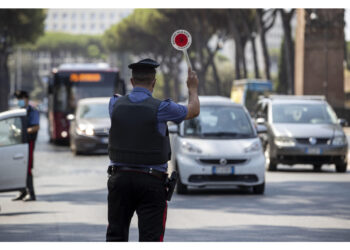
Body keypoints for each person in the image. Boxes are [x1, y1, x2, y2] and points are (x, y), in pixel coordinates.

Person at [106, 58, 199, 242]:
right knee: (151, 239)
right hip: (151, 182)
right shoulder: (162, 108)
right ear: (154, 82)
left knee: (115, 237)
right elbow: (193, 110)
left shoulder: (114, 104)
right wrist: (193, 88)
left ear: (132, 82)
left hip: (119, 180)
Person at [12, 90, 40, 202]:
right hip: (18, 142)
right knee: (19, 167)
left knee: (27, 168)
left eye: (21, 99)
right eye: (18, 99)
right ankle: (22, 192)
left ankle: (31, 193)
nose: (19, 101)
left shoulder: (32, 111)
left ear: (26, 98)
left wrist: (23, 131)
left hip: (28, 143)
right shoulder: (17, 111)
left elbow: (36, 127)